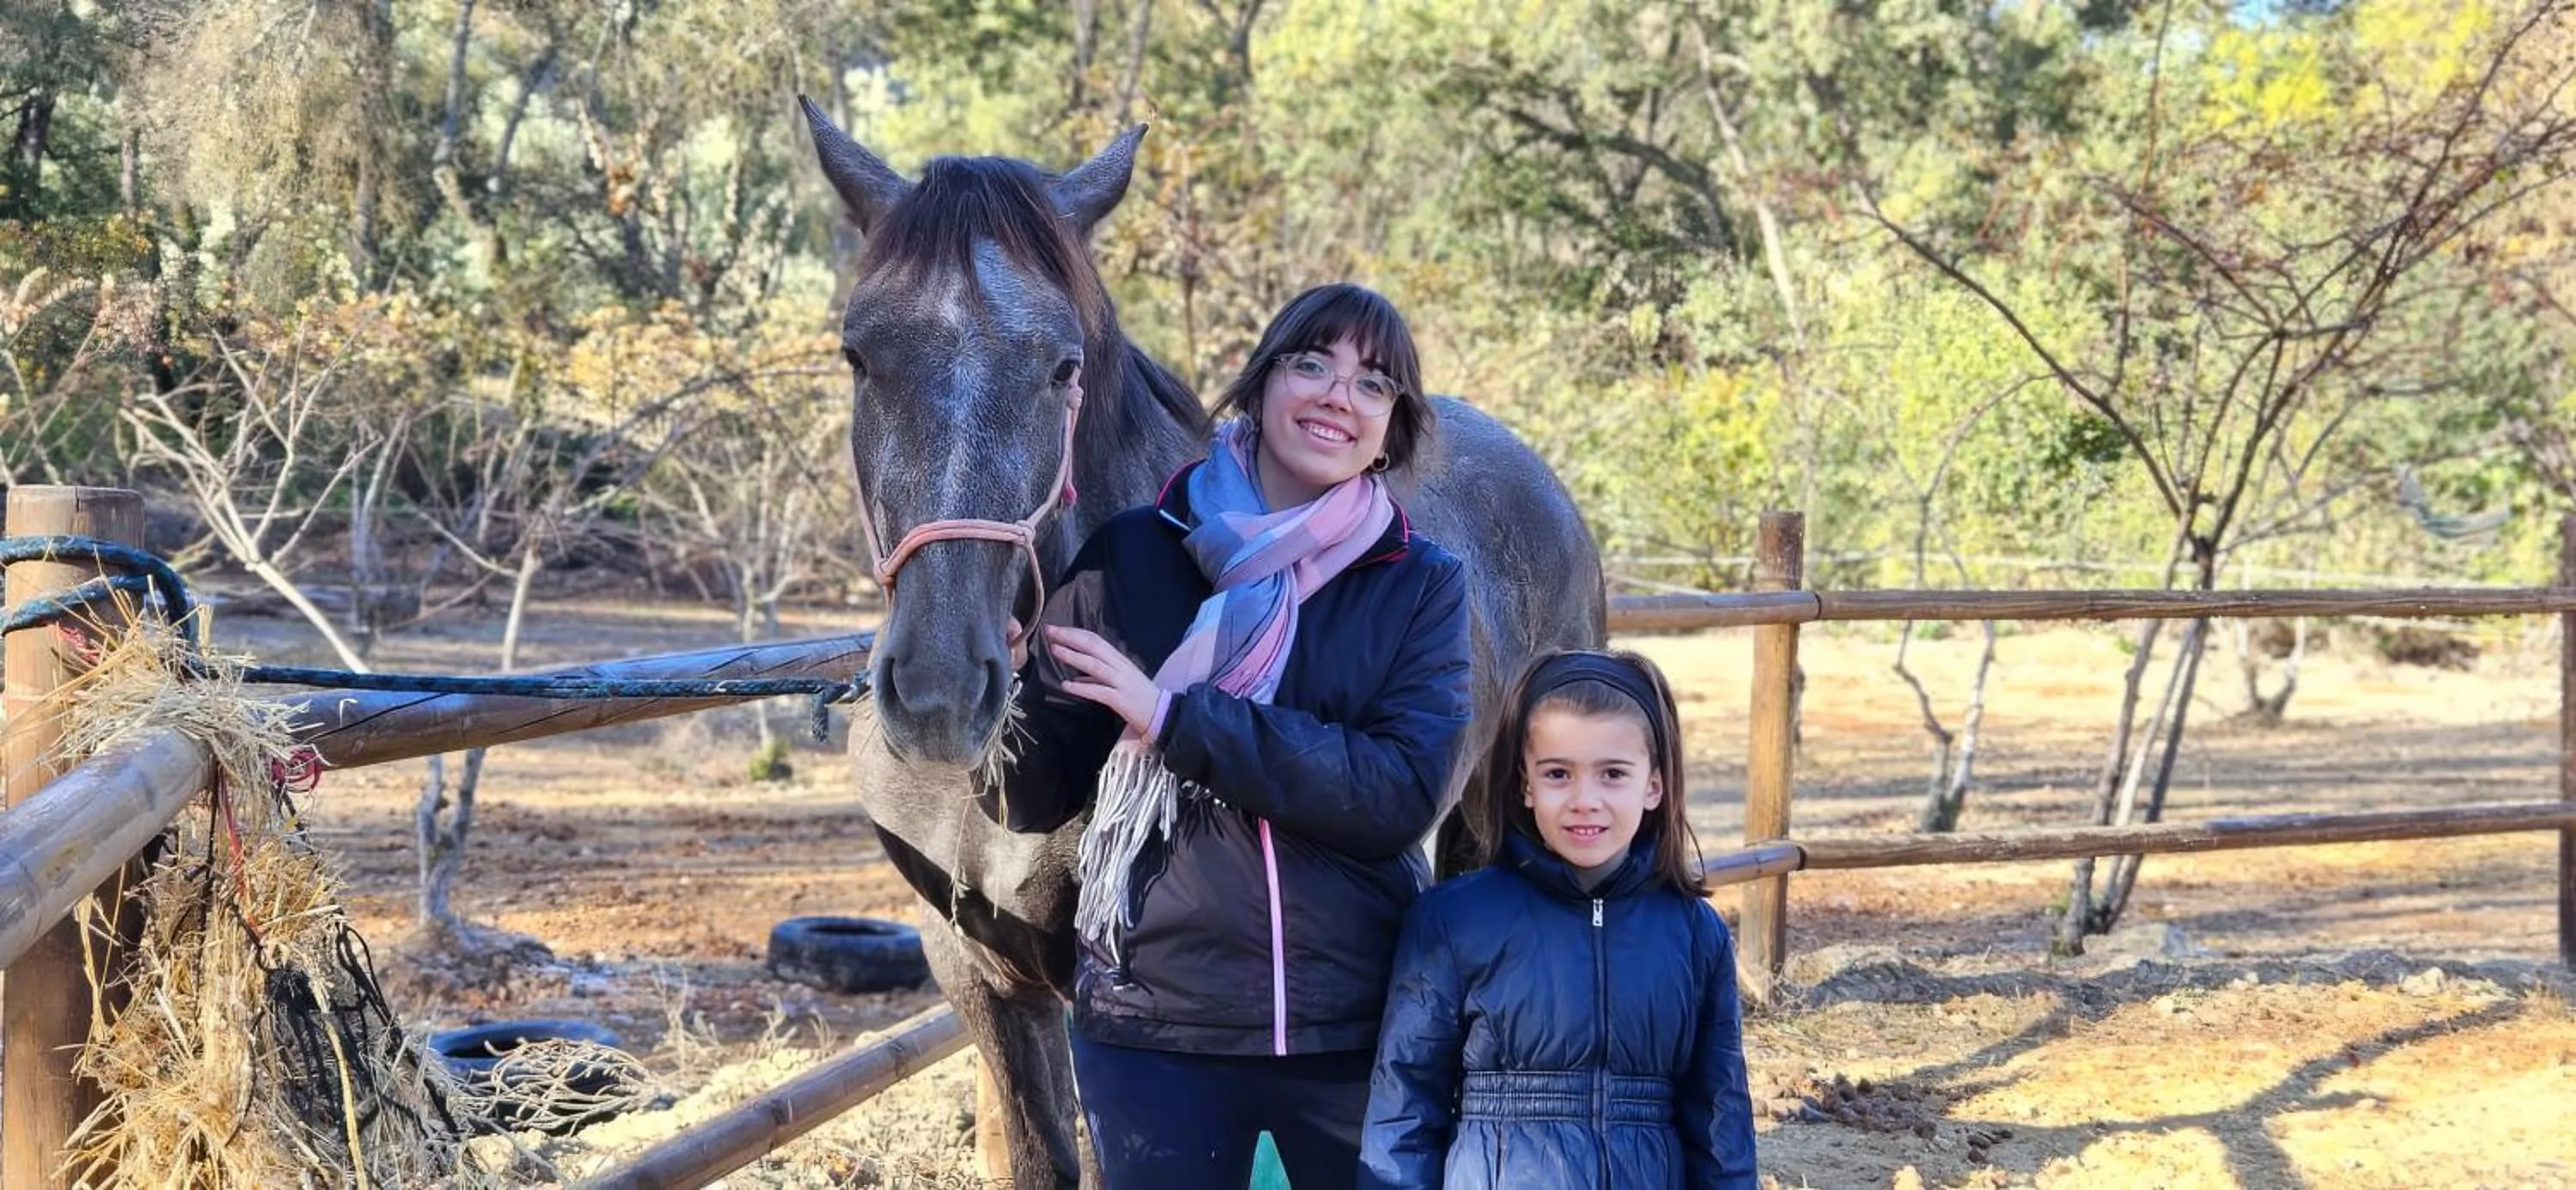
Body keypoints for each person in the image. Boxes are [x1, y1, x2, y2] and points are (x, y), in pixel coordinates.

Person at [980, 282, 1474, 1190]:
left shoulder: (1418, 582)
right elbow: (1026, 795)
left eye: (1374, 383)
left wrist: (1175, 719)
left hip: (1354, 1024)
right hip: (1155, 1024)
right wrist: (999, 692)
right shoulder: (1132, 557)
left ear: (1392, 426)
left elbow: (1398, 793)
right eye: (1312, 363)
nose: (1338, 395)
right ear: (1259, 383)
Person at [1358, 648, 1759, 1190]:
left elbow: (1719, 1119)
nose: (1584, 800)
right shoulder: (1453, 922)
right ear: (1525, 785)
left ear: (1654, 786)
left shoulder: (1695, 935)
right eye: (1557, 774)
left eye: (1613, 774)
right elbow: (1405, 1104)